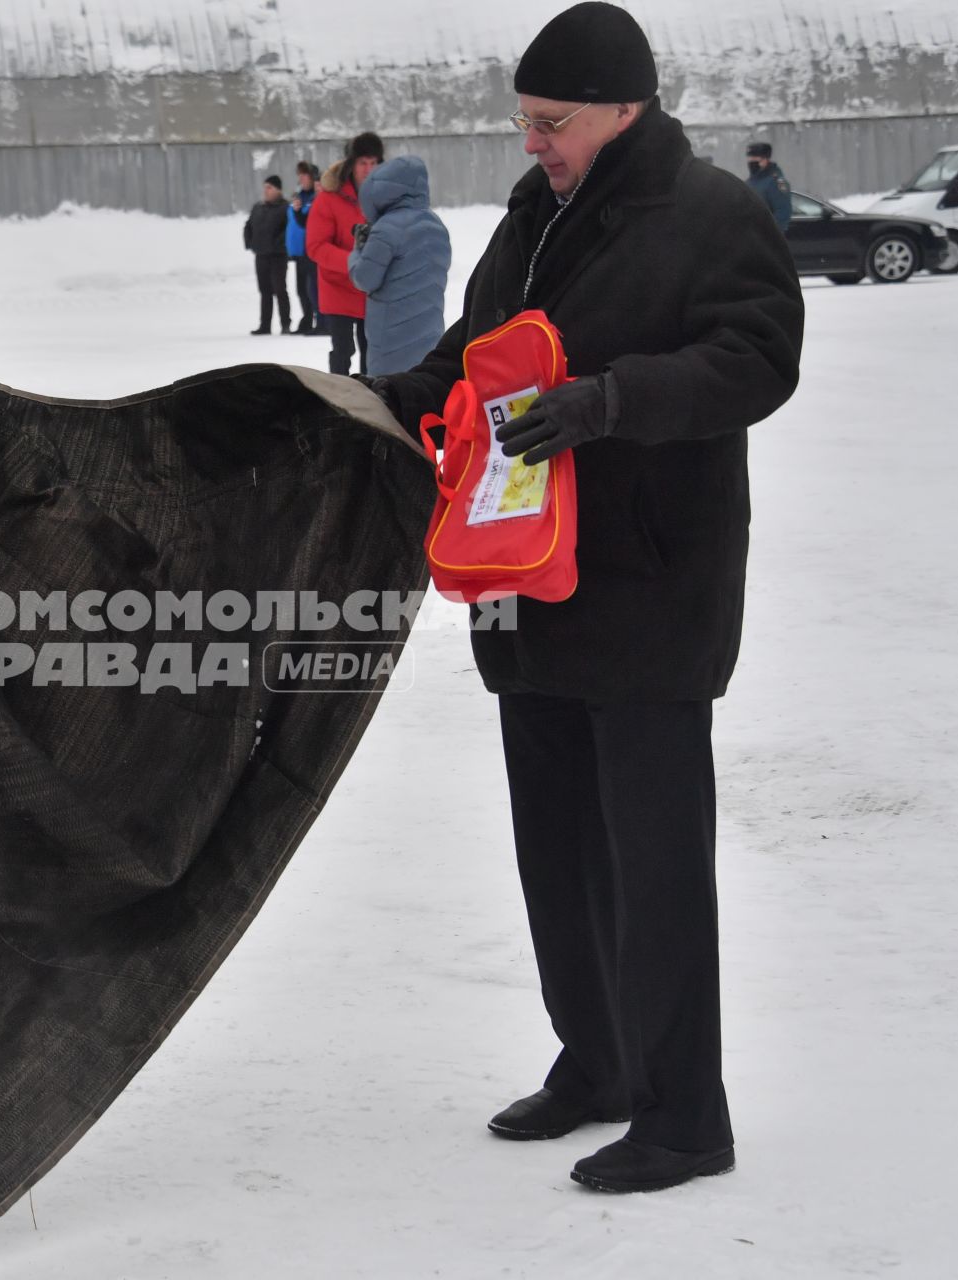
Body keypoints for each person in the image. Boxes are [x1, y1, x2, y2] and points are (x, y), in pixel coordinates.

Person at [370, 1, 802, 1194]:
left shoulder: (710, 215)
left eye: (551, 123)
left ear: (627, 108)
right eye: (523, 122)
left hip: (652, 588)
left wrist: (612, 401)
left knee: (654, 863)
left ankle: (683, 1114)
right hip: (528, 582)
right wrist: (398, 393)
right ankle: (598, 1061)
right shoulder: (532, 216)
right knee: (555, 850)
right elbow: (480, 346)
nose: (533, 144)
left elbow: (761, 357)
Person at [347, 155, 452, 374]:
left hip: (390, 341)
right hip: (429, 335)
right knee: (422, 391)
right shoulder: (436, 225)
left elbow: (364, 279)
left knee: (389, 399)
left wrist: (358, 250)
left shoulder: (386, 229)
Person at [308, 132, 384, 374]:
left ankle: (370, 400)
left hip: (371, 290)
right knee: (342, 351)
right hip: (338, 287)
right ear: (352, 163)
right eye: (363, 163)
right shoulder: (329, 199)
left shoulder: (386, 198)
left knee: (371, 351)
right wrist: (354, 262)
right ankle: (338, 400)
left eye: (374, 163)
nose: (368, 169)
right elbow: (316, 246)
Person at [242, 174, 292, 335]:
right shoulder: (258, 207)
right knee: (264, 290)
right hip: (261, 254)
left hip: (278, 255)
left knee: (280, 289)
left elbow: (288, 230)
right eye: (265, 188)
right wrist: (250, 243)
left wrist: (278, 244)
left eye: (269, 188)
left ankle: (285, 323)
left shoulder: (285, 208)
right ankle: (265, 325)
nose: (266, 191)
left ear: (278, 190)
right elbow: (248, 225)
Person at [287, 161, 322, 334]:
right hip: (300, 252)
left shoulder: (317, 198)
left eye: (304, 175)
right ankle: (307, 319)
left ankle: (320, 320)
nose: (301, 178)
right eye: (299, 175)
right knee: (301, 290)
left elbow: (308, 224)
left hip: (312, 251)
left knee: (313, 289)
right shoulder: (299, 198)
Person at [745, 141, 792, 231]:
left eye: (755, 158)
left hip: (766, 237)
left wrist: (767, 234)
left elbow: (782, 212)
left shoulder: (776, 182)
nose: (751, 161)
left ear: (765, 160)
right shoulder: (750, 181)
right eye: (750, 158)